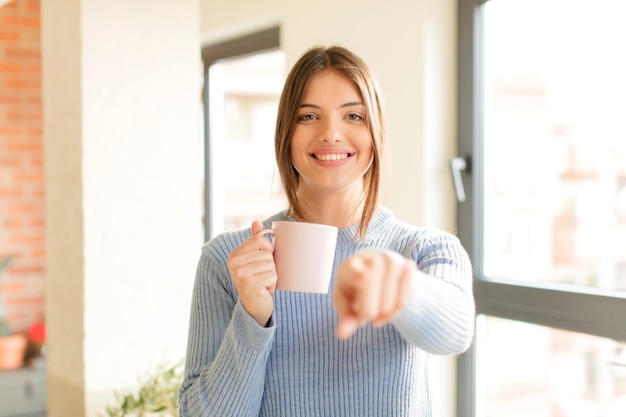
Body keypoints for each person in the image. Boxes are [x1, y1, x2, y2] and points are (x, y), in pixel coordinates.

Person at [179, 45, 475, 417]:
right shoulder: (228, 261)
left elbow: (456, 332)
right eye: (308, 117)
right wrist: (252, 317)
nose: (331, 134)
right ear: (286, 134)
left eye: (353, 115)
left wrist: (400, 285)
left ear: (375, 133)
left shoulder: (425, 249)